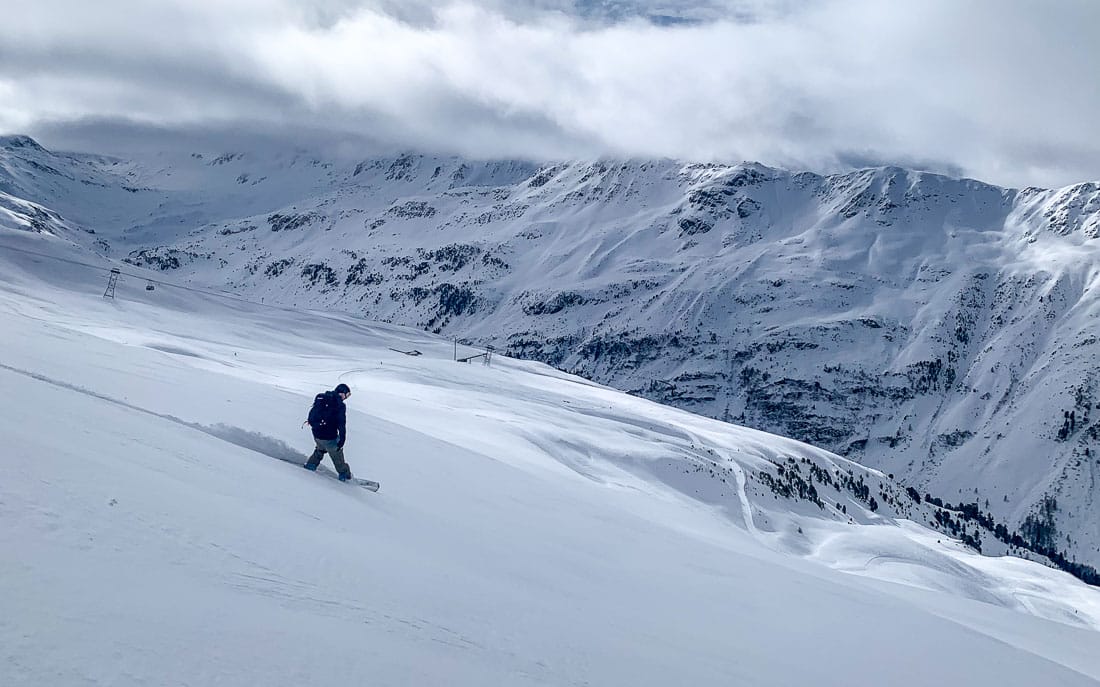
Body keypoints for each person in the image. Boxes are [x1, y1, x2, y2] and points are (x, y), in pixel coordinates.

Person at [303, 383, 354, 481]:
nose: (346, 398)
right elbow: (341, 424)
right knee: (337, 455)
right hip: (329, 437)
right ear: (342, 393)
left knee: (320, 449)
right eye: (346, 395)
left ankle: (311, 465)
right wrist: (342, 439)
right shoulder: (340, 405)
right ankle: (345, 475)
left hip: (316, 434)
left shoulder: (322, 397)